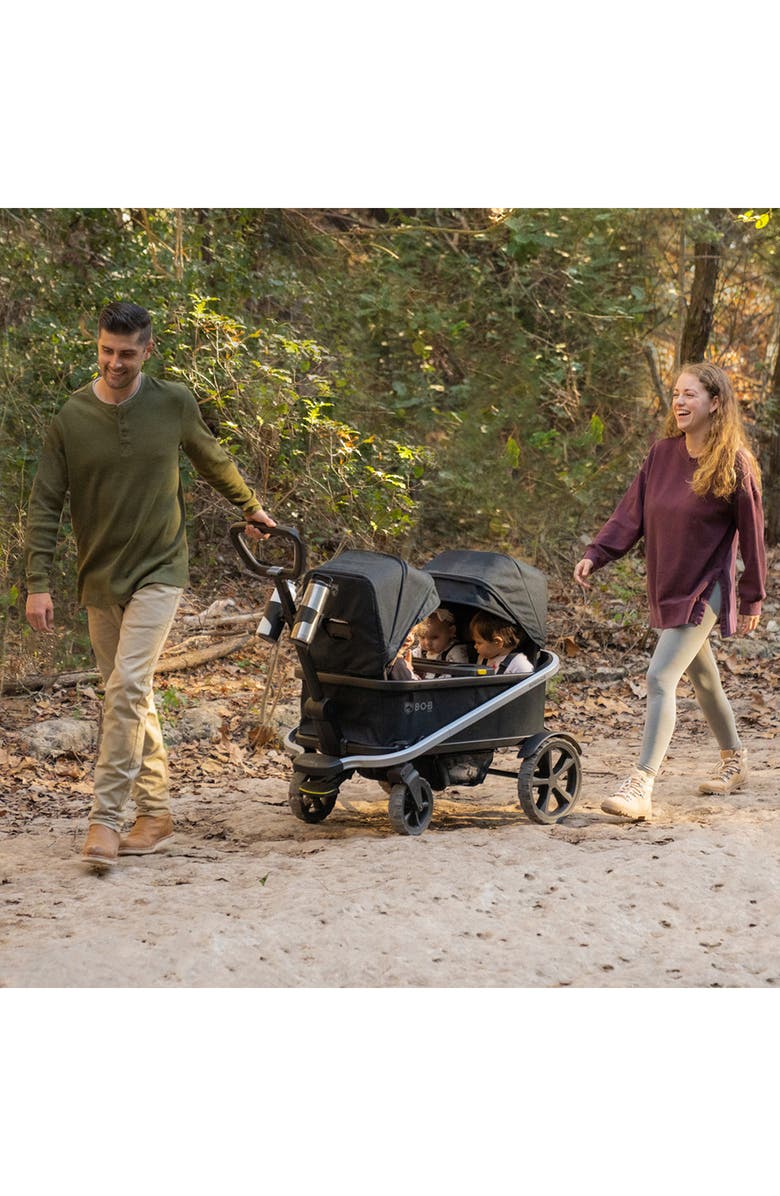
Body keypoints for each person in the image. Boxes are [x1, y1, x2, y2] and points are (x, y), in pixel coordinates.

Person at [24, 301, 276, 867]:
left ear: (148, 351)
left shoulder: (172, 403)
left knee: (127, 685)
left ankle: (105, 820)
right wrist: (37, 581)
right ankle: (156, 811)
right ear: (98, 347)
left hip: (162, 569)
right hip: (99, 576)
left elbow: (212, 459)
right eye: (107, 351)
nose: (116, 363)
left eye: (128, 354)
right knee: (131, 694)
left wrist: (251, 508)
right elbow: (44, 504)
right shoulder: (71, 417)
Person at [574, 361, 766, 821]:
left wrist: (752, 594)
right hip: (668, 583)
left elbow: (754, 535)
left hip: (708, 586)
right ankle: (735, 758)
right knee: (702, 677)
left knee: (661, 676)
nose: (679, 402)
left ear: (715, 403)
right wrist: (597, 553)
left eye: (691, 395)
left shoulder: (735, 464)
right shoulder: (662, 455)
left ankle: (641, 783)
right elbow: (630, 514)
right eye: (676, 394)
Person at [468, 611, 534, 676]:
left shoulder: (519, 664)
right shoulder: (483, 658)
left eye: (479, 643)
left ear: (497, 643)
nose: (475, 646)